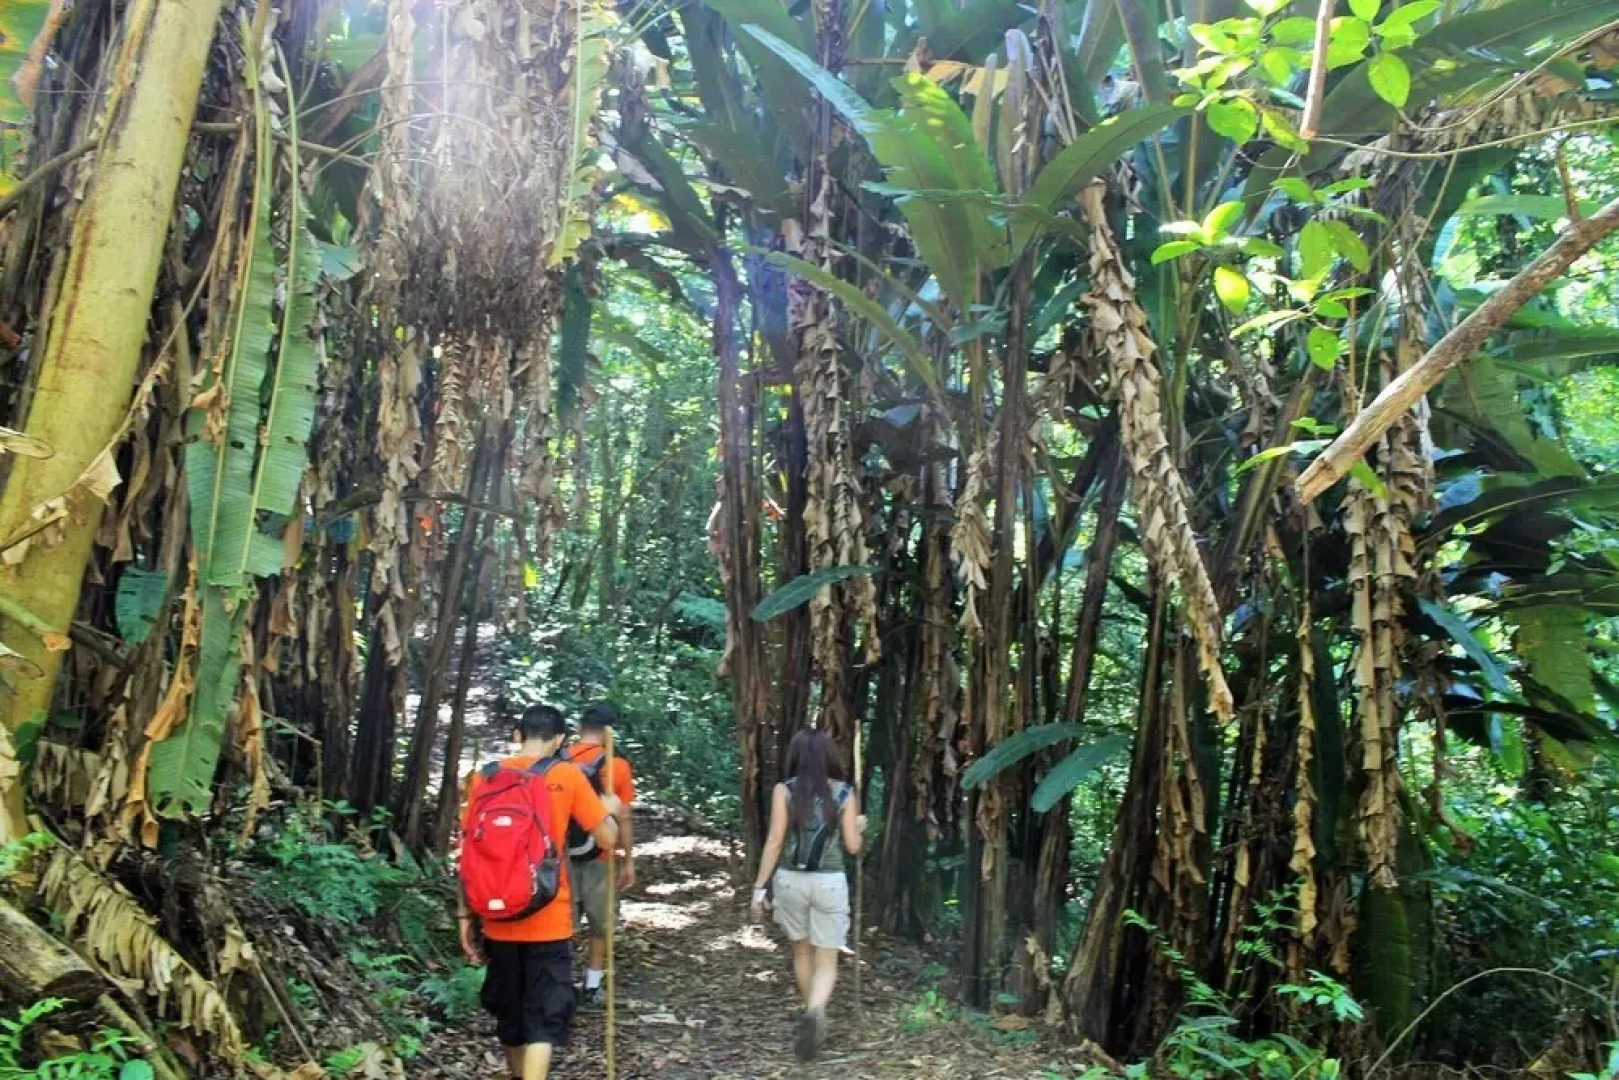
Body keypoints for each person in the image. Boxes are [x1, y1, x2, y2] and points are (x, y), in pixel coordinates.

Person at [458, 703, 621, 1080]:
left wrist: (465, 916)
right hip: (549, 914)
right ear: (560, 739)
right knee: (544, 1017)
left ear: (517, 735)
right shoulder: (567, 775)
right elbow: (606, 839)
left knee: (510, 1013)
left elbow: (467, 849)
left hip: (495, 916)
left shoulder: (485, 777)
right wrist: (608, 808)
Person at [748, 729, 865, 1061]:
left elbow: (774, 840)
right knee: (827, 957)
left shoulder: (784, 791)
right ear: (829, 756)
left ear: (796, 756)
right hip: (829, 882)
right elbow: (853, 847)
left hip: (790, 881)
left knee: (801, 952)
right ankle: (815, 1010)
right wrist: (859, 827)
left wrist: (759, 889)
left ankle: (809, 1010)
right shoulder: (844, 793)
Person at [564, 703, 636, 1008]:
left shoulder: (558, 759)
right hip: (601, 859)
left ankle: (561, 983)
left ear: (580, 729)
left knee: (562, 926)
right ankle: (592, 985)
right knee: (600, 924)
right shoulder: (616, 766)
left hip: (559, 859)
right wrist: (628, 859)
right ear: (609, 733)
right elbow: (625, 816)